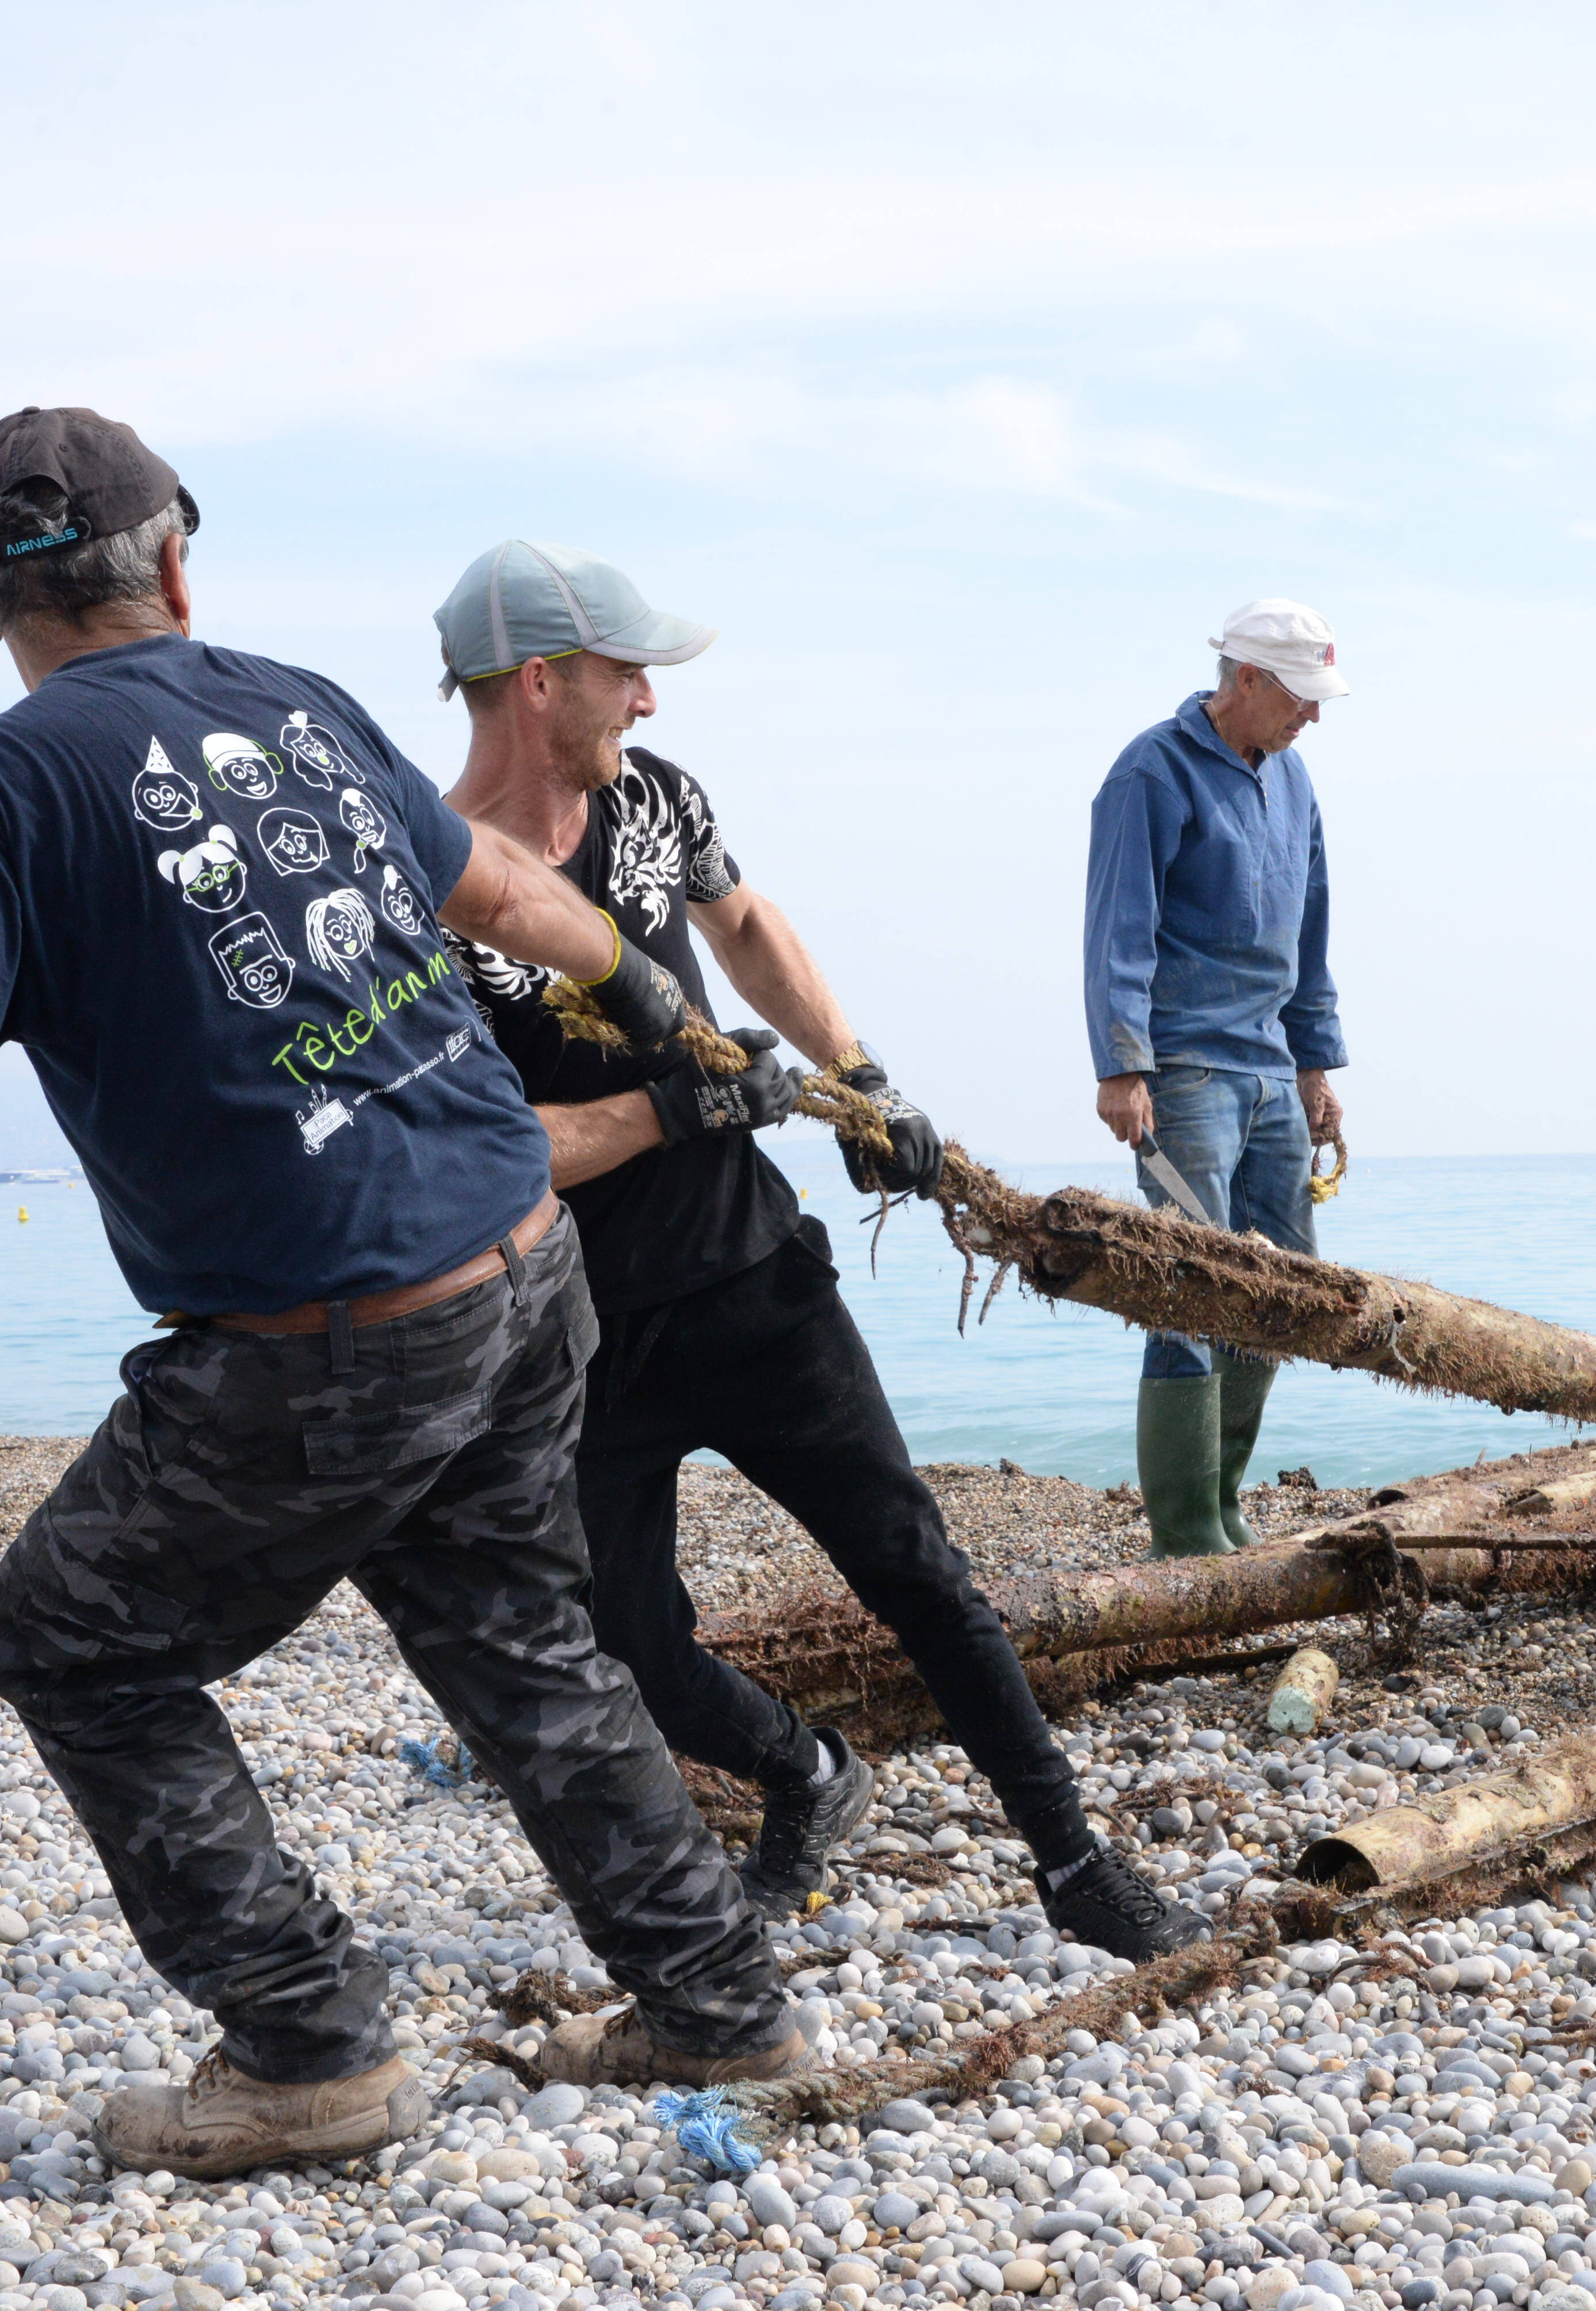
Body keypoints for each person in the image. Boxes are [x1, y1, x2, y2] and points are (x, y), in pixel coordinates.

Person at [0, 411, 809, 2183]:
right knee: (523, 1639)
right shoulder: (300, 703)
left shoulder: (1, 788)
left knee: (76, 1639)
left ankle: (310, 2049)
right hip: (525, 1266)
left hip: (346, 1332)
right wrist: (654, 1005)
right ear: (179, 562)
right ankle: (723, 2007)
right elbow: (510, 889)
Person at [432, 539, 1204, 1963]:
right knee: (629, 1647)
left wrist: (861, 1075)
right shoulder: (431, 900)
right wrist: (663, 1108)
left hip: (752, 1287)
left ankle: (1073, 1858)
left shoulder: (653, 798)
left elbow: (743, 925)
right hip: (580, 1330)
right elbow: (482, 1154)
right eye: (625, 675)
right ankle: (805, 1773)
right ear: (540, 684)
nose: (649, 703)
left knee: (917, 1569)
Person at [1082, 601, 1349, 1558]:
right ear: (1247, 680)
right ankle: (1186, 1531)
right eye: (1300, 699)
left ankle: (1226, 1496)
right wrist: (1122, 1065)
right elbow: (1119, 921)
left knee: (1285, 1288)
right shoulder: (1152, 771)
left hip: (1273, 1069)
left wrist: (1317, 1065)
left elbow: (1311, 930)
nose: (1312, 717)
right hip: (1185, 1070)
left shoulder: (1294, 778)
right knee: (1185, 1288)